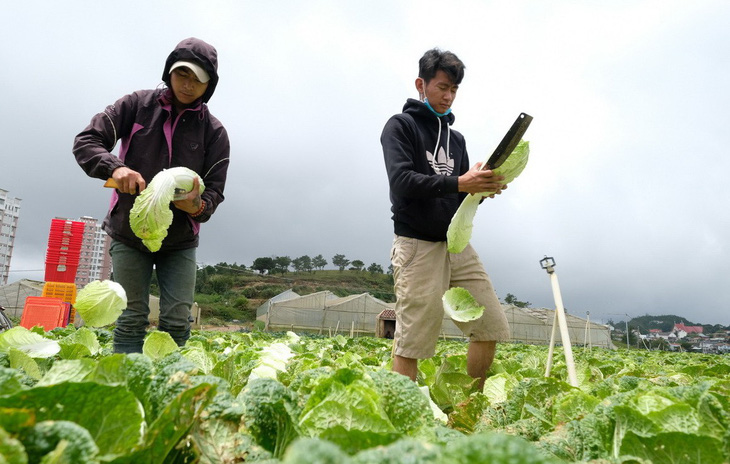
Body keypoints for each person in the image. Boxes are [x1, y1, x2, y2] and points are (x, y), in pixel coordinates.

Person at [73, 37, 230, 353]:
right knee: (130, 317)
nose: (188, 85)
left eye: (198, 80)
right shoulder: (135, 106)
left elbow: (215, 192)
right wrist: (115, 168)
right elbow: (87, 141)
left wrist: (198, 205)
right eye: (181, 74)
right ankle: (127, 389)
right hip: (129, 232)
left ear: (209, 84)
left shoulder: (214, 133)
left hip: (180, 240)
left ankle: (171, 389)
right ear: (169, 71)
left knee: (176, 319)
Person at [381, 48, 511, 389]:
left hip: (456, 244)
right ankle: (401, 416)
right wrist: (459, 182)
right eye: (442, 87)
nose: (448, 96)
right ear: (421, 84)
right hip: (417, 245)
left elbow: (458, 198)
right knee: (413, 341)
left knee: (490, 325)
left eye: (454, 89)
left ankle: (470, 407)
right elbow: (402, 182)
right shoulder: (401, 126)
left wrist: (479, 190)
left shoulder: (456, 139)